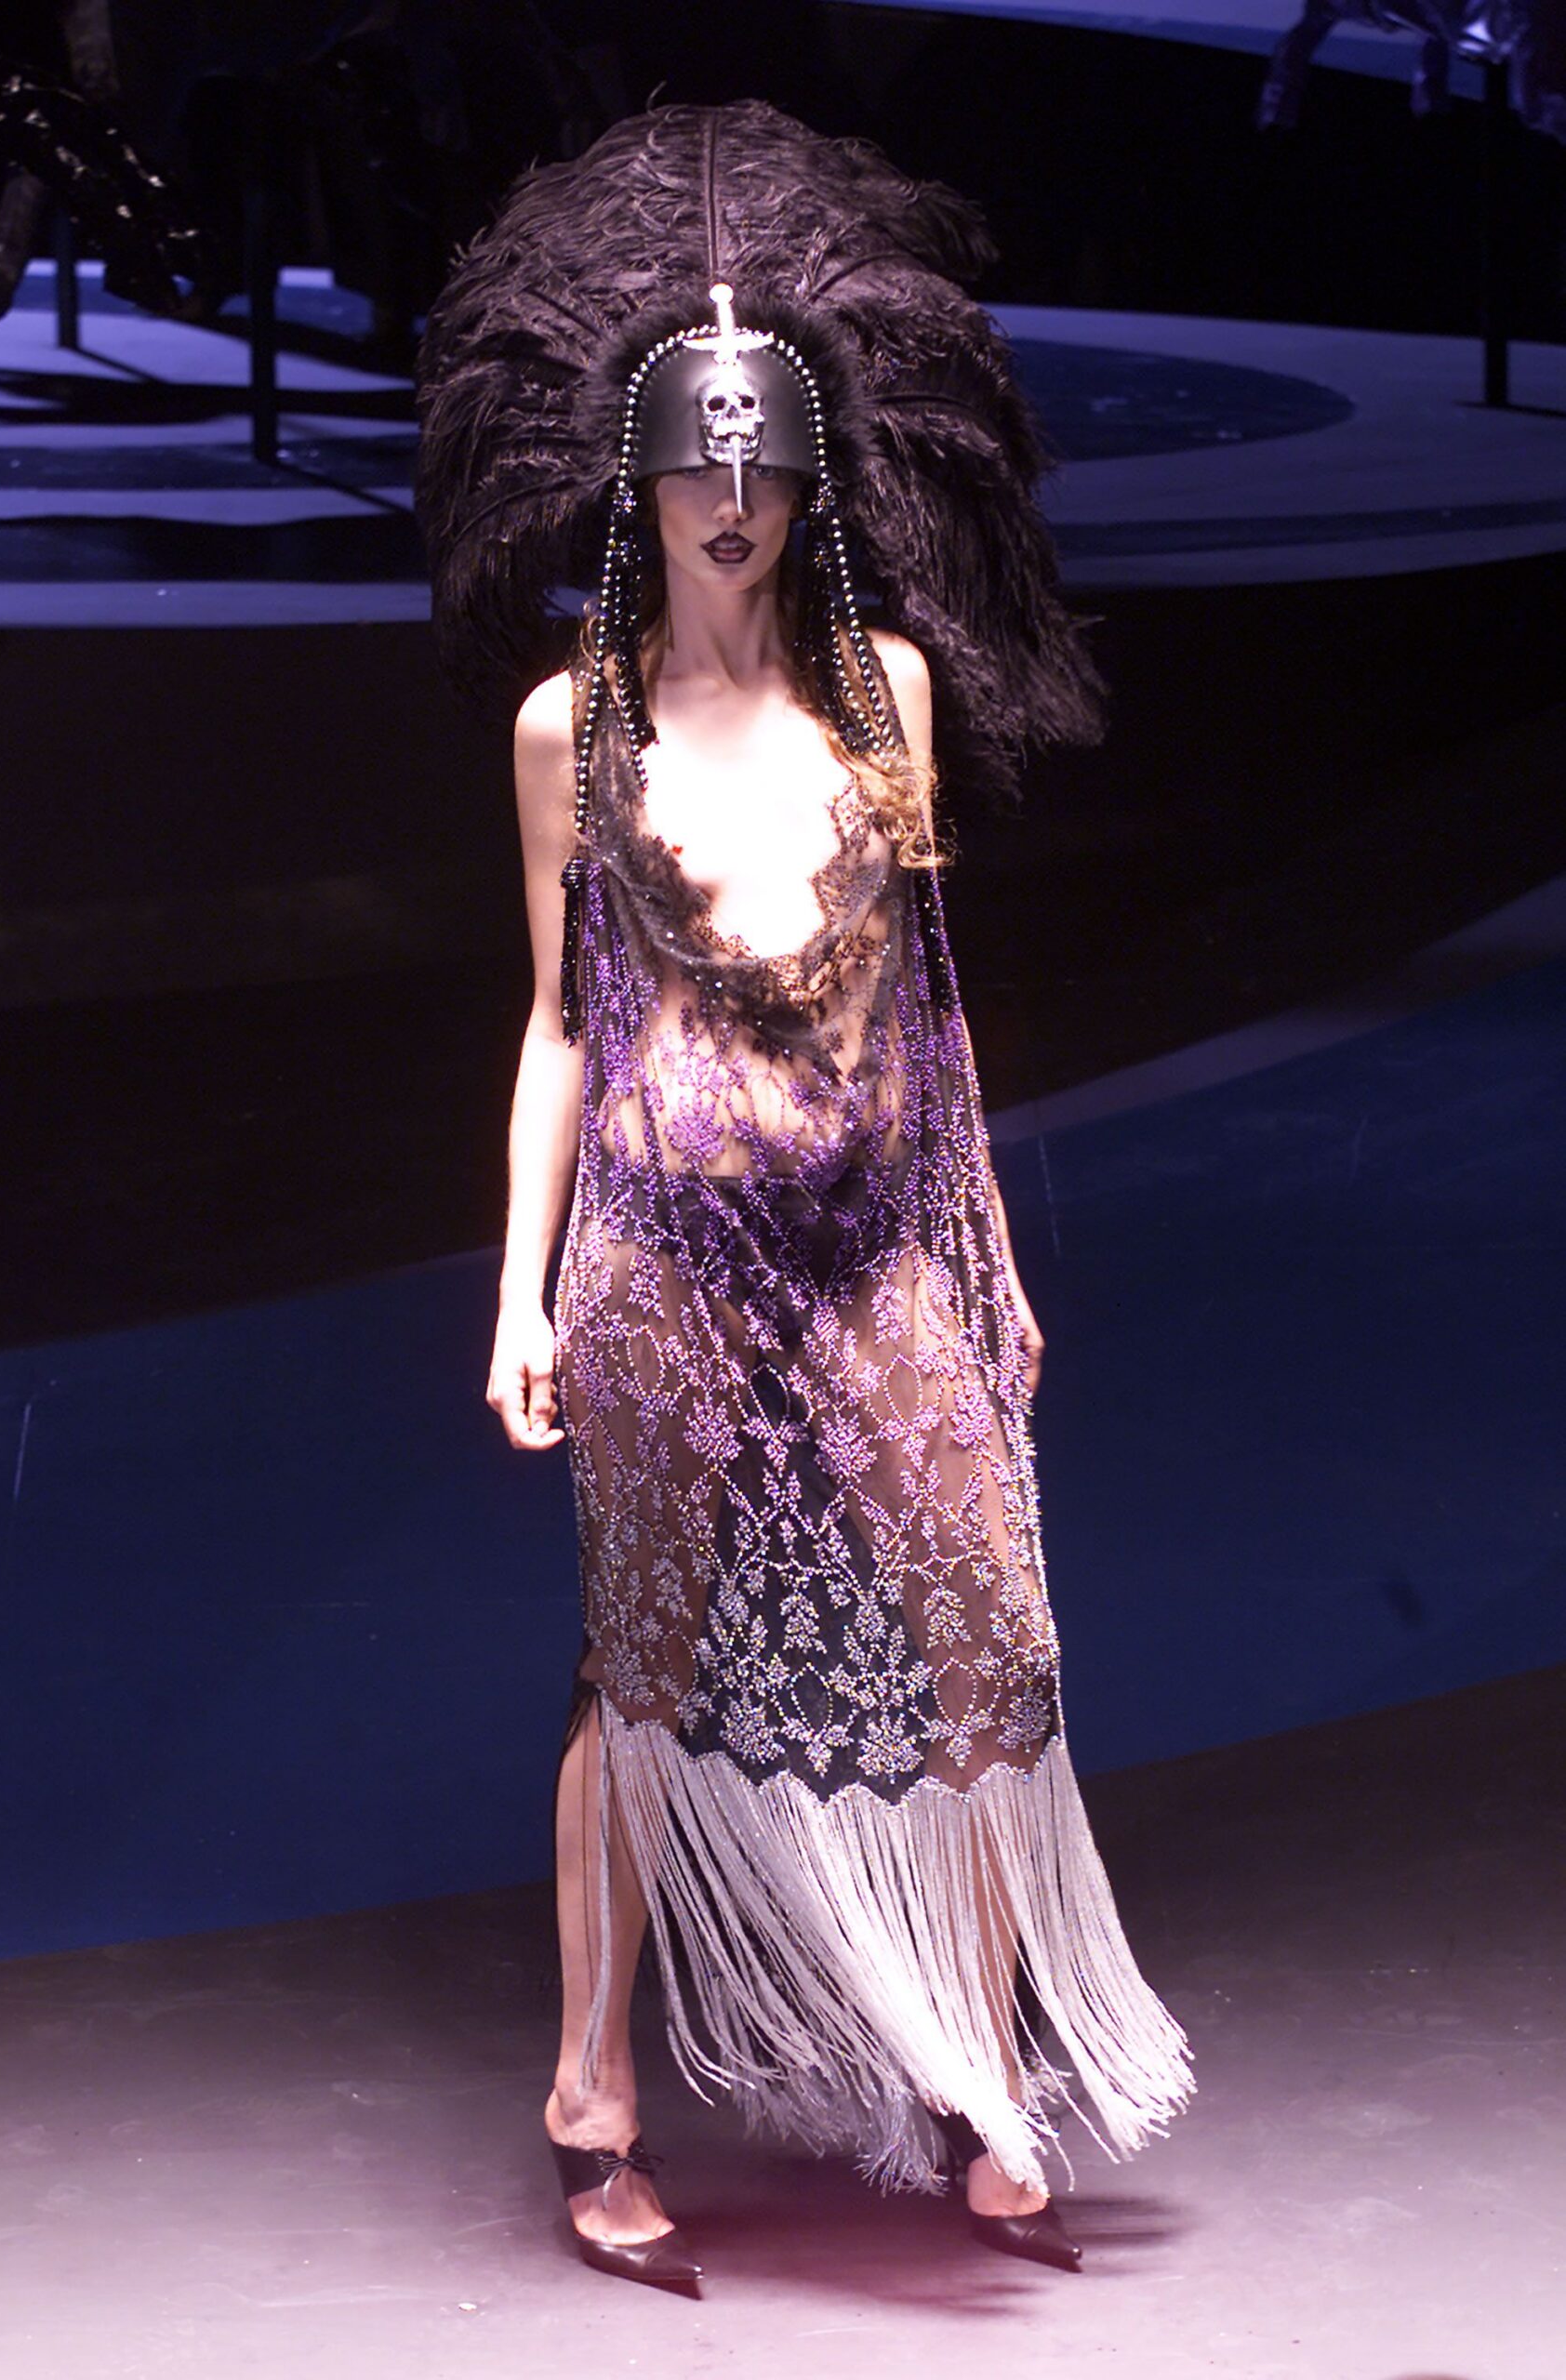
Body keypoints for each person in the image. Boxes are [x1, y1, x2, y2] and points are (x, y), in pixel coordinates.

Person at [415, 100, 1193, 2299]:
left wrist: (988, 1247)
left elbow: (931, 1010)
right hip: (661, 1265)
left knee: (976, 1630)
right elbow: (559, 1020)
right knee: (642, 1678)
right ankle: (591, 2095)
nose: (729, 500)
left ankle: (970, 2060)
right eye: (694, 464)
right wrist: (515, 1293)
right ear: (637, 479)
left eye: (760, 465)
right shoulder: (571, 729)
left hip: (876, 1259)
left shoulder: (890, 707)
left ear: (812, 477)